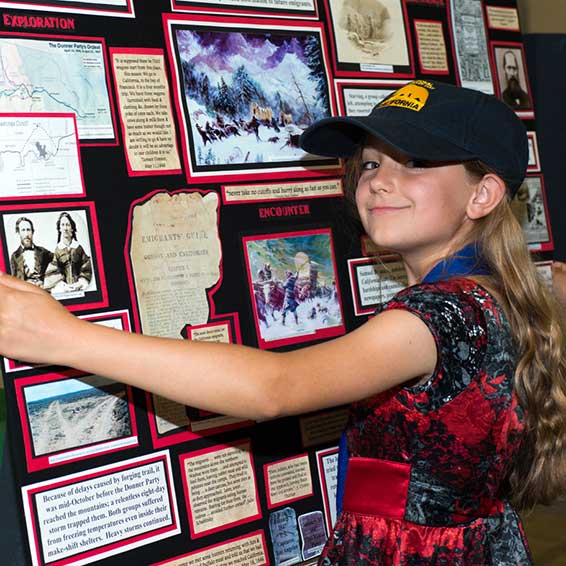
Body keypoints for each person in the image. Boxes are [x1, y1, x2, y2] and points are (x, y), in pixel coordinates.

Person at [0, 80, 565, 565]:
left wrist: (61, 335)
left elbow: (275, 388)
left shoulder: (440, 314)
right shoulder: (495, 290)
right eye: (370, 163)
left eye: (415, 163)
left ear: (483, 194)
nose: (378, 181)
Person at [43, 212, 92, 294]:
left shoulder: (78, 248)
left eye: (68, 225)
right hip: (64, 289)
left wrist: (80, 283)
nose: (65, 228)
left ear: (72, 228)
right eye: (62, 225)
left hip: (79, 287)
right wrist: (63, 286)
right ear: (59, 229)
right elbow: (53, 271)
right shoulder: (58, 250)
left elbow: (86, 268)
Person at [9, 217, 53, 287]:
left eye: (28, 230)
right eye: (23, 230)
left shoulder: (43, 252)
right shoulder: (14, 256)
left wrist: (48, 281)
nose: (26, 234)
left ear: (32, 232)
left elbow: (58, 260)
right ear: (18, 233)